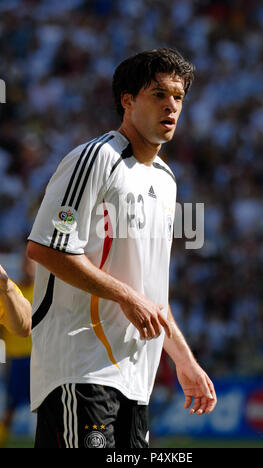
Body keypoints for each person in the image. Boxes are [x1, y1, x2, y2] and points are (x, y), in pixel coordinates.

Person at [27, 48, 217, 449]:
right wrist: (127, 297)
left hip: (136, 379)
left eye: (178, 97)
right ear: (127, 100)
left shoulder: (166, 180)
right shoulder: (96, 158)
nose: (171, 106)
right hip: (80, 369)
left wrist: (184, 360)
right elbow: (47, 249)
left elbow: (150, 293)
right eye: (158, 94)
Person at [0, 257, 34, 447]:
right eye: (25, 265)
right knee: (10, 410)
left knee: (46, 405)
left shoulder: (40, 291)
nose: (28, 269)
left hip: (37, 359)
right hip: (15, 359)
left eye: (31, 265)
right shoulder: (10, 292)